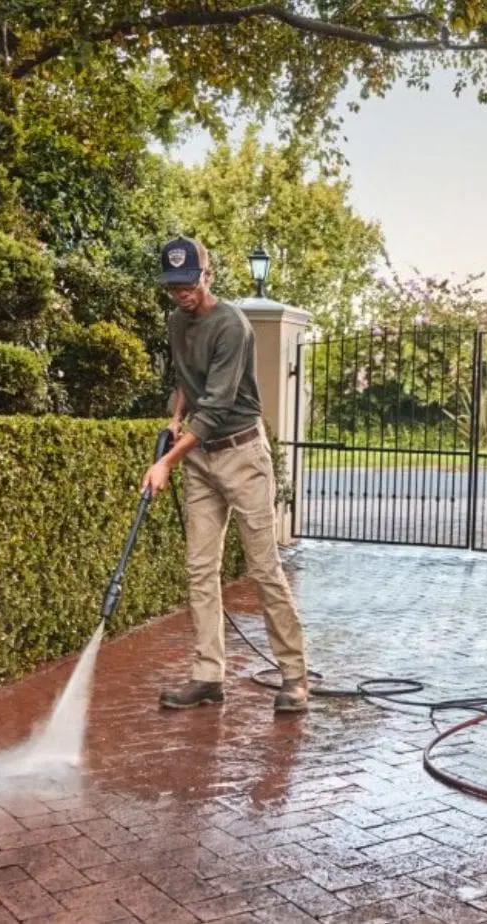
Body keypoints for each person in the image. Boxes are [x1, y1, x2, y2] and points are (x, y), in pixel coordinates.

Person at [140, 235, 310, 713]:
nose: (181, 294)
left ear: (207, 276)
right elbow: (186, 381)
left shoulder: (232, 325)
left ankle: (294, 676)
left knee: (263, 569)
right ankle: (207, 676)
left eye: (188, 284)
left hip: (241, 454)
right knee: (199, 570)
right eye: (173, 286)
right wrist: (174, 420)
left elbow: (215, 407)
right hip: (201, 458)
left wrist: (165, 462)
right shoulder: (176, 321)